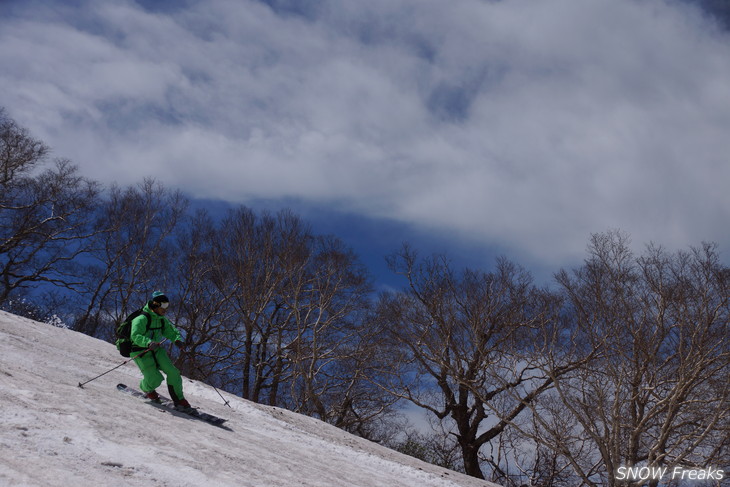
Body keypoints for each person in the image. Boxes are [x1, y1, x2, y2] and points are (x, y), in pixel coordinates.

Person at [131, 291, 192, 411]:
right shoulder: (141, 319)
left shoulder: (162, 320)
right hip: (141, 351)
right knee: (155, 379)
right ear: (155, 304)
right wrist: (147, 342)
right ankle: (146, 388)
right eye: (163, 306)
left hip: (156, 350)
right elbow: (135, 335)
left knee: (173, 372)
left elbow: (171, 332)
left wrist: (177, 340)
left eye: (167, 306)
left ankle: (179, 400)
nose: (166, 309)